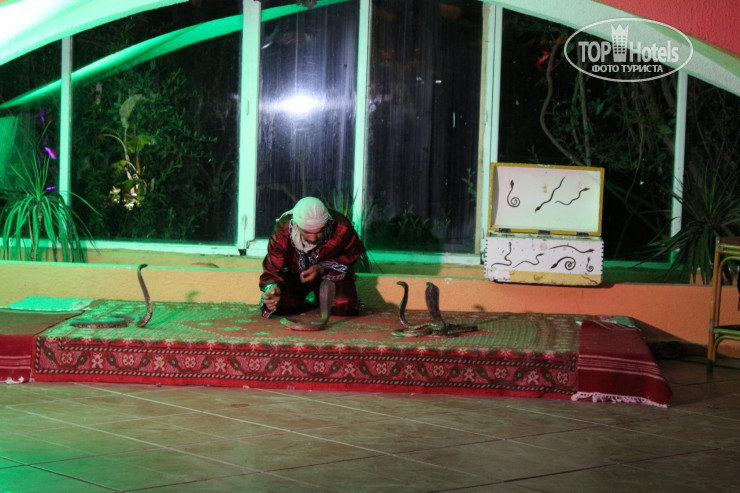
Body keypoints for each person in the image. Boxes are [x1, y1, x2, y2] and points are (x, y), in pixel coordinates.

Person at [259, 196, 366, 317]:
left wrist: (322, 267)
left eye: (319, 231)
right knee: (279, 304)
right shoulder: (283, 230)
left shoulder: (341, 227)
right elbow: (272, 268)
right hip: (295, 277)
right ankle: (303, 300)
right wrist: (272, 288)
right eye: (306, 232)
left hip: (330, 275)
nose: (313, 238)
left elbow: (352, 255)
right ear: (296, 225)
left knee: (345, 305)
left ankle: (322, 298)